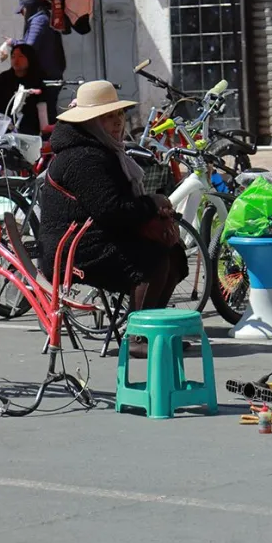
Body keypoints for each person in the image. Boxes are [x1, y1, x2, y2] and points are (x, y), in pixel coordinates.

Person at [38, 81, 187, 358]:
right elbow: (112, 211)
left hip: (97, 234)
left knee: (174, 254)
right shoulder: (82, 158)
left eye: (119, 115)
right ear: (91, 122)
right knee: (151, 258)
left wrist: (148, 207)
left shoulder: (104, 150)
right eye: (108, 117)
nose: (118, 122)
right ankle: (137, 337)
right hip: (73, 248)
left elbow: (113, 211)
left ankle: (151, 328)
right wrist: (150, 203)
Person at [6, 0, 66, 122]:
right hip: (46, 75)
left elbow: (29, 48)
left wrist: (13, 43)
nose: (22, 14)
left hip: (47, 77)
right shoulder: (41, 18)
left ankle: (50, 140)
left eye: (23, 10)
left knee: (46, 115)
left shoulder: (39, 21)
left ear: (30, 7)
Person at [0, 43, 49, 136]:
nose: (16, 60)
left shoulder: (38, 79)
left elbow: (42, 110)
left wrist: (45, 134)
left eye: (21, 56)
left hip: (30, 133)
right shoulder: (3, 79)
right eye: (13, 56)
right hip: (5, 132)